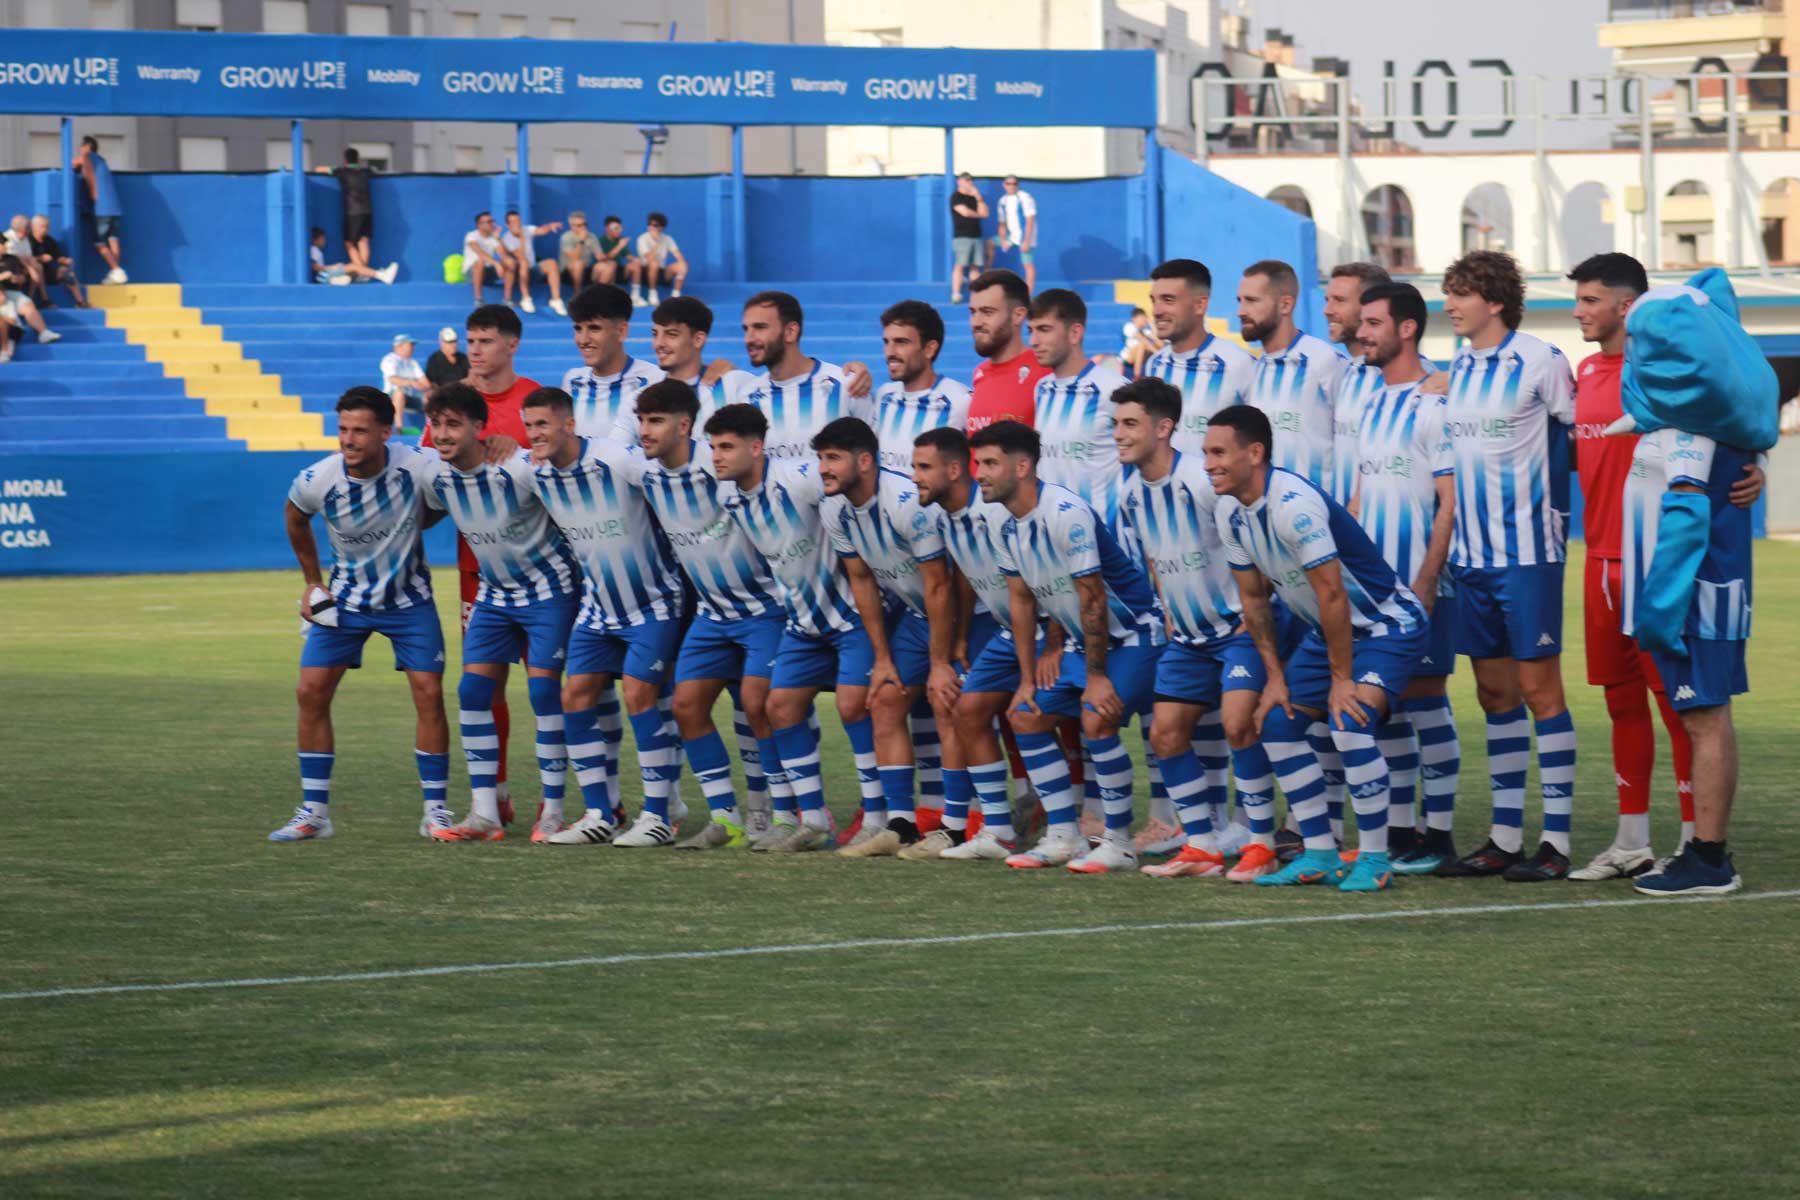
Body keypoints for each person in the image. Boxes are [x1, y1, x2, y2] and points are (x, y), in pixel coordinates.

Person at [1564, 253, 1764, 881]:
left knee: (1692, 709)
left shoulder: (1687, 412)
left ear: (1630, 310)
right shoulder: (1588, 374)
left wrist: (1758, 467)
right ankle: (1637, 841)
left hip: (1671, 585)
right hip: (1608, 562)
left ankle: (1699, 848)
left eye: (1591, 299)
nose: (1578, 311)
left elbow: (1699, 488)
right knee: (1631, 704)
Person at [1207, 404, 1429, 893]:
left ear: (1256, 453)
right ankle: (1320, 854)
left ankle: (1374, 860)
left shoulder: (1293, 504)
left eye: (1219, 452)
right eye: (1206, 453)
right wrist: (1276, 679)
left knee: (1348, 723)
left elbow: (1333, 593)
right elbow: (1254, 601)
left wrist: (1341, 678)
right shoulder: (1230, 512)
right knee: (1278, 725)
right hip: (1327, 632)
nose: (1208, 463)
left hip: (1386, 625)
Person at [1614, 273, 1769, 896]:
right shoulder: (1699, 429)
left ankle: (1708, 858)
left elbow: (1682, 526)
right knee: (1708, 717)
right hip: (1706, 596)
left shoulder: (1689, 436)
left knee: (1703, 719)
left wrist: (1656, 614)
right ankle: (1707, 852)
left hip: (1691, 600)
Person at [1435, 250, 1579, 882]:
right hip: (1471, 559)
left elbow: (1588, 437)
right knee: (1493, 693)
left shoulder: (1543, 362)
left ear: (1494, 300)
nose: (1449, 305)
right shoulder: (1458, 366)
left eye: (1460, 294)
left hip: (1528, 556)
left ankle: (1558, 840)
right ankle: (1502, 836)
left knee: (1541, 692)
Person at [970, 420, 1165, 872]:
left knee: (1097, 719)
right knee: (1024, 715)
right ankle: (1065, 836)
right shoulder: (1003, 522)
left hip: (1135, 633)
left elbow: (1092, 595)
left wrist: (1095, 679)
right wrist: (1025, 678)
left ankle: (1118, 843)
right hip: (1084, 640)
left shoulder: (1066, 512)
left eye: (989, 463)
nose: (978, 472)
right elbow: (1023, 599)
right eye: (978, 462)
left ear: (1022, 467)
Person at [272, 387, 450, 842]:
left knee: (429, 694)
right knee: (309, 691)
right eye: (343, 430)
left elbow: (449, 492)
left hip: (409, 602)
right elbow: (294, 516)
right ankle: (314, 812)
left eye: (360, 431)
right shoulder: (319, 478)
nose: (348, 440)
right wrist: (314, 581)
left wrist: (421, 517)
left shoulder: (417, 464)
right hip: (346, 604)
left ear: (385, 432)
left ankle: (436, 812)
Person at [522, 387, 687, 848]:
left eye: (543, 425)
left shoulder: (615, 459)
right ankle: (600, 812)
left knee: (640, 696)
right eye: (528, 426)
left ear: (569, 425)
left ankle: (657, 814)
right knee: (575, 695)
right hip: (597, 608)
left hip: (653, 602)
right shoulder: (535, 473)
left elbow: (669, 476)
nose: (534, 435)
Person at [630, 379, 792, 850]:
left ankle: (776, 814)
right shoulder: (644, 472)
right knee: (686, 706)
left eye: (655, 421)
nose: (645, 430)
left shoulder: (718, 462)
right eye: (641, 420)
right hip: (712, 614)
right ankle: (728, 818)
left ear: (684, 426)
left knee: (759, 706)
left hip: (765, 608)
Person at [416, 383, 581, 843]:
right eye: (436, 424)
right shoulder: (436, 476)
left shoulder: (519, 467)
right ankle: (485, 812)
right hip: (494, 595)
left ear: (479, 428)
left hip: (549, 592)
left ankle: (553, 810)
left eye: (453, 424)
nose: (442, 434)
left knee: (545, 695)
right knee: (472, 692)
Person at [712, 404, 879, 854]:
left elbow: (849, 490)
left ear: (756, 447)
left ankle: (877, 818)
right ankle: (813, 819)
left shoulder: (799, 476)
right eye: (712, 447)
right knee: (778, 707)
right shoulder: (730, 498)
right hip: (802, 623)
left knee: (851, 706)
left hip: (850, 616)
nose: (717, 457)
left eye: (726, 447)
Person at [1347, 282, 1463, 874]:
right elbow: (1363, 498)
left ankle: (1438, 836)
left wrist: (1426, 581)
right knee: (1388, 707)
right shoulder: (1371, 402)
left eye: (1372, 323)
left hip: (1421, 587)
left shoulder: (1437, 399)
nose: (1360, 332)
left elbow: (1448, 501)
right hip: (1374, 593)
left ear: (1407, 328)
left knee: (1426, 700)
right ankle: (1398, 829)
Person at [1114, 378, 1250, 879]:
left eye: (1130, 424)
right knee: (1166, 734)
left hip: (1237, 628)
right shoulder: (1131, 492)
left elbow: (1246, 540)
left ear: (1164, 427)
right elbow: (1155, 556)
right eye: (1116, 424)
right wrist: (1172, 616)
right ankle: (1202, 846)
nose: (1119, 435)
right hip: (1189, 637)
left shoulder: (1200, 479)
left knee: (1242, 727)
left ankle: (1259, 838)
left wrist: (1253, 619)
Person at [813, 418, 957, 858]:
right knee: (886, 697)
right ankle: (900, 824)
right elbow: (861, 582)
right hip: (917, 614)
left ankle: (957, 825)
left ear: (865, 461)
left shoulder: (906, 503)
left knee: (951, 704)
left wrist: (938, 661)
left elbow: (941, 585)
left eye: (833, 458)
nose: (823, 468)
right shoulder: (833, 509)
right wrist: (883, 658)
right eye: (820, 458)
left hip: (963, 612)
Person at [424, 304, 543, 826]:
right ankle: (494, 795)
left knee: (550, 683)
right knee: (485, 682)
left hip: (543, 571)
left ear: (511, 345)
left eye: (486, 340)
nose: (474, 349)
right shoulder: (451, 407)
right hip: (479, 569)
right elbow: (430, 476)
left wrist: (521, 449)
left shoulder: (533, 400)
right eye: (470, 341)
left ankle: (565, 797)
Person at [916, 426, 1026, 860]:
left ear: (956, 469)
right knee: (966, 710)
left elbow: (1033, 583)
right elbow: (962, 574)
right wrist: (957, 640)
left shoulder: (995, 511)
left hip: (1038, 628)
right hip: (998, 628)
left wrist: (1049, 644)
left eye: (924, 467)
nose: (915, 477)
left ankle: (1073, 821)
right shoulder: (946, 515)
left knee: (1041, 716)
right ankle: (985, 829)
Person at [1027, 289, 1129, 535]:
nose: (1033, 341)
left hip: (1105, 543)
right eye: (1030, 331)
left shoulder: (1114, 391)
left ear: (1075, 333)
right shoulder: (1042, 389)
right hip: (1052, 539)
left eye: (1044, 329)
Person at [1240, 259, 1347, 491]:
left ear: (1285, 305)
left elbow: (1351, 443)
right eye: (1240, 301)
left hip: (1316, 512)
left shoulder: (1324, 361)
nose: (1241, 311)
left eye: (1251, 301)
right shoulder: (1253, 368)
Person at [1141, 258, 1256, 453]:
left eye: (1168, 300)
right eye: (1154, 300)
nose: (1157, 311)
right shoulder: (1154, 365)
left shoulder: (1239, 364)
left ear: (1200, 305)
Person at [736, 291, 862, 460]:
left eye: (760, 327)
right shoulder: (747, 397)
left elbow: (870, 457)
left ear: (790, 331)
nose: (748, 339)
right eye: (746, 329)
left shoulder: (846, 384)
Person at [871, 300, 971, 473]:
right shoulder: (883, 396)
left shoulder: (960, 400)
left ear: (929, 349)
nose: (890, 352)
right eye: (886, 342)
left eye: (901, 342)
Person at [1323, 262, 1393, 505]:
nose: (1327, 310)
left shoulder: (1404, 376)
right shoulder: (1347, 371)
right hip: (1346, 529)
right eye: (1327, 299)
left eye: (1339, 300)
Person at [561, 284, 664, 439]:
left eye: (594, 328)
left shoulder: (654, 381)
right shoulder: (572, 381)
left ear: (621, 331)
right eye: (578, 329)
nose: (583, 340)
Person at [967, 269, 1049, 436]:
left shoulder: (1045, 374)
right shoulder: (979, 374)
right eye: (973, 312)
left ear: (1018, 316)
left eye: (987, 312)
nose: (976, 322)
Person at [74, 135, 126, 284]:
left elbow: (73, 163)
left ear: (87, 147)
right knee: (113, 240)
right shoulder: (102, 160)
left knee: (99, 243)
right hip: (115, 208)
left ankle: (117, 270)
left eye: (81, 147)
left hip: (102, 208)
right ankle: (114, 273)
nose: (80, 150)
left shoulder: (87, 156)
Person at [317, 147, 374, 272]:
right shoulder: (365, 171)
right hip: (368, 211)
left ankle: (363, 272)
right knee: (363, 241)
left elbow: (319, 169)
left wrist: (333, 167)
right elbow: (374, 170)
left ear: (345, 160)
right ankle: (364, 272)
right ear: (358, 159)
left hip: (352, 212)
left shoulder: (341, 171)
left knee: (349, 243)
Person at [501, 210, 567, 316]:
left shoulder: (527, 229)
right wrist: (522, 237)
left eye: (518, 220)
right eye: (513, 222)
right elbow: (521, 256)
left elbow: (541, 230)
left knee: (551, 263)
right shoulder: (506, 238)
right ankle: (526, 298)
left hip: (532, 270)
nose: (517, 223)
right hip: (518, 274)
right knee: (523, 262)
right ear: (508, 225)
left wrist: (550, 226)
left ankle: (556, 300)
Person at [0, 254, 62, 361]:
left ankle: (43, 332)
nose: (3, 247)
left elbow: (22, 278)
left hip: (11, 293)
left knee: (25, 305)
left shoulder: (11, 259)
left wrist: (14, 278)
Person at [26, 214, 86, 308]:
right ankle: (45, 301)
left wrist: (64, 260)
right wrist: (40, 258)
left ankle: (81, 302)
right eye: (42, 226)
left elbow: (57, 256)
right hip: (33, 274)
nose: (45, 229)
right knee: (39, 267)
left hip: (49, 273)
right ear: (33, 226)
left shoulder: (49, 240)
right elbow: (25, 258)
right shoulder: (27, 240)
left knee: (66, 272)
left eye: (47, 226)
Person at [631, 212, 687, 307]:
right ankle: (652, 294)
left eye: (655, 225)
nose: (651, 227)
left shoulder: (668, 239)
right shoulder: (642, 238)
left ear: (662, 228)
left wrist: (682, 264)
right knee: (654, 263)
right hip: (645, 271)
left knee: (682, 265)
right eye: (649, 224)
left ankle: (675, 295)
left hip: (661, 272)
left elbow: (678, 255)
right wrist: (657, 243)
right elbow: (649, 258)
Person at [949, 172, 989, 304]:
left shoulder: (974, 198)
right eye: (966, 180)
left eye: (970, 181)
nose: (969, 183)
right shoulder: (956, 197)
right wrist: (979, 214)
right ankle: (956, 294)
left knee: (975, 267)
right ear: (959, 182)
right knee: (960, 265)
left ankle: (975, 296)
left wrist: (978, 197)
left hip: (976, 236)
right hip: (962, 236)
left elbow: (985, 213)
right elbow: (965, 212)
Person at [995, 175, 1038, 293]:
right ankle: (988, 276)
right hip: (1012, 238)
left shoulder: (1025, 197)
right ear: (1004, 185)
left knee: (1028, 265)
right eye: (1009, 184)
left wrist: (1027, 241)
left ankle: (1028, 295)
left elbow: (1030, 220)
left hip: (1025, 237)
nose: (1011, 186)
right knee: (990, 243)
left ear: (1018, 185)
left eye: (1014, 184)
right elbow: (1002, 224)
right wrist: (1003, 240)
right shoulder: (1002, 201)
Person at [310, 227, 394, 286]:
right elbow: (314, 267)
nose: (324, 241)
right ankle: (381, 275)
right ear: (315, 240)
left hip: (323, 277)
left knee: (351, 272)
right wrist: (333, 267)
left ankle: (336, 280)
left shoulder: (316, 251)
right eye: (322, 239)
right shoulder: (314, 249)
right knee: (353, 266)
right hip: (323, 277)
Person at [379, 334, 429, 429]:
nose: (413, 347)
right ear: (400, 346)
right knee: (399, 392)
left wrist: (424, 387)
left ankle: (430, 428)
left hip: (411, 396)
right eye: (410, 345)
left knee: (430, 396)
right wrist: (412, 383)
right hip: (390, 396)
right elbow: (392, 379)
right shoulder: (389, 360)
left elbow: (425, 383)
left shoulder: (413, 362)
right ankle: (399, 427)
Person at [462, 212, 506, 305]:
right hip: (471, 274)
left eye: (493, 221)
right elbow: (480, 253)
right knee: (480, 261)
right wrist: (496, 264)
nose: (492, 224)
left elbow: (504, 256)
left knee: (509, 262)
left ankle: (508, 299)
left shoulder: (493, 238)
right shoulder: (471, 236)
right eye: (489, 222)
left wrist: (498, 238)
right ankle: (478, 299)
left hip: (488, 272)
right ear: (479, 225)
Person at [558, 211, 602, 293]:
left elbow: (599, 257)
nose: (583, 227)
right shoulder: (566, 237)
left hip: (587, 269)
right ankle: (578, 295)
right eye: (579, 225)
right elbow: (574, 258)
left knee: (608, 266)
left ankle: (599, 294)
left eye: (585, 224)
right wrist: (581, 240)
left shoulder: (592, 236)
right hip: (568, 273)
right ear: (572, 226)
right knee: (578, 263)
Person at [1116, 307, 1161, 378]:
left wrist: (1152, 325)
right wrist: (1157, 353)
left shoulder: (1145, 330)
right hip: (1127, 357)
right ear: (1134, 319)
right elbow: (1142, 339)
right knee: (1142, 345)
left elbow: (1159, 342)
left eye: (1145, 318)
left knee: (1157, 345)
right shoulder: (1129, 326)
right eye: (1142, 317)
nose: (1145, 320)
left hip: (1140, 356)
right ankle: (1137, 376)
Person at [597, 215, 636, 288]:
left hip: (617, 269)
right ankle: (599, 293)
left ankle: (635, 295)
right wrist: (619, 246)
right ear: (607, 229)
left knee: (635, 264)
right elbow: (604, 259)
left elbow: (628, 256)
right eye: (616, 228)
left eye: (620, 228)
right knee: (611, 263)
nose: (620, 230)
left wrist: (635, 260)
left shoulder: (621, 239)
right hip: (601, 271)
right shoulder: (600, 240)